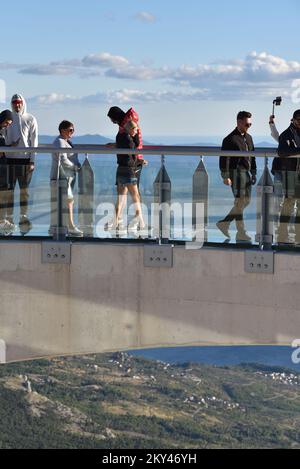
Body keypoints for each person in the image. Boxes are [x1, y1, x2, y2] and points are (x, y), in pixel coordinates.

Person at [217, 111, 257, 242]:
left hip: (246, 173)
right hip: (236, 174)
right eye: (247, 124)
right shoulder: (230, 139)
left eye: (250, 124)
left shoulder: (249, 138)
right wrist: (225, 176)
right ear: (239, 122)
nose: (249, 126)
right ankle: (241, 232)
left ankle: (225, 223)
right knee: (240, 202)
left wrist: (254, 172)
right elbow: (224, 159)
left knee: (245, 201)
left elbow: (253, 156)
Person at [4, 94, 38, 234]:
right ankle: (10, 217)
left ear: (23, 103)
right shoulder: (8, 120)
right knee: (9, 191)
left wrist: (32, 161)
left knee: (24, 191)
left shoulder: (30, 119)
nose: (17, 105)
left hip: (25, 161)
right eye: (14, 103)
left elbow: (34, 140)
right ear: (11, 104)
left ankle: (24, 216)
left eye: (19, 103)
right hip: (10, 160)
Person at [108, 119, 145, 231]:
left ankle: (116, 221)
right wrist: (139, 162)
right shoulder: (129, 141)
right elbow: (132, 154)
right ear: (131, 129)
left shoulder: (120, 137)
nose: (136, 132)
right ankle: (140, 223)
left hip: (120, 170)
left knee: (121, 198)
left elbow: (124, 154)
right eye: (135, 130)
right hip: (129, 171)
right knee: (136, 197)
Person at [51, 120, 83, 237]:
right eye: (70, 130)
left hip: (67, 176)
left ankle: (61, 226)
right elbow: (63, 159)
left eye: (73, 130)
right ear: (62, 130)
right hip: (61, 176)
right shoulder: (59, 142)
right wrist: (75, 166)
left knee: (67, 200)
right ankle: (70, 226)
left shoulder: (65, 141)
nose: (72, 132)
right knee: (68, 201)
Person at [274, 110, 300, 244]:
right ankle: (282, 235)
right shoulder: (286, 134)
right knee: (289, 204)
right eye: (299, 120)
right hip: (290, 173)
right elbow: (282, 151)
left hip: (297, 173)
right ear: (293, 120)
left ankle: (298, 236)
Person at [107, 106, 147, 189]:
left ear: (115, 117)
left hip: (133, 162)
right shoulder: (125, 123)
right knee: (128, 193)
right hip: (130, 162)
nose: (111, 121)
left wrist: (116, 145)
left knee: (135, 193)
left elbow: (135, 143)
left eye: (111, 118)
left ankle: (138, 203)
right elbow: (128, 142)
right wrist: (117, 144)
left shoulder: (128, 123)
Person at [0, 110, 14, 234]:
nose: (7, 125)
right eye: (6, 123)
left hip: (3, 166)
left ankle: (2, 220)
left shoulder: (1, 131)